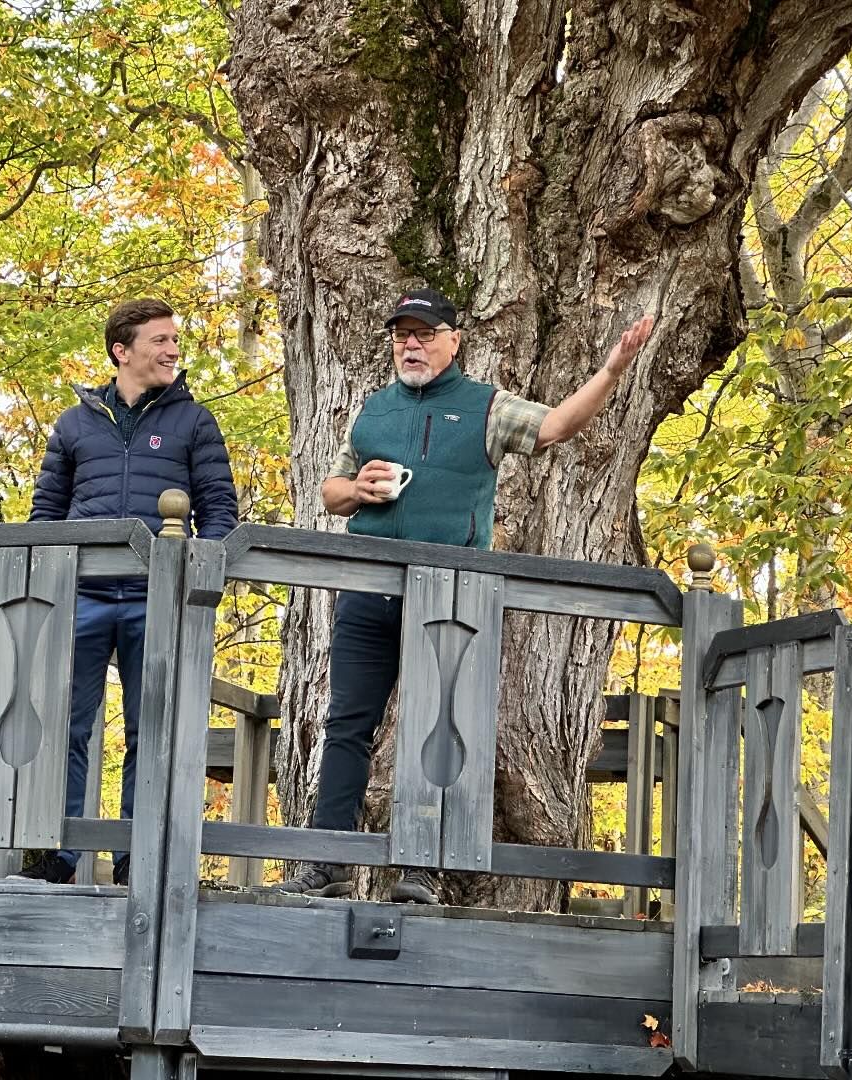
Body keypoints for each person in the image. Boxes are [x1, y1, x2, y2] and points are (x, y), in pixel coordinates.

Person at [275, 287, 653, 904]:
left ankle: (420, 867)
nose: (411, 344)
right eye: (402, 334)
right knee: (346, 725)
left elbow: (558, 425)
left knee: (436, 723)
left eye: (424, 333)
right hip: (369, 586)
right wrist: (357, 490)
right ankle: (327, 860)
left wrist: (612, 369)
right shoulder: (373, 409)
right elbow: (331, 492)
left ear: (454, 339)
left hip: (445, 595)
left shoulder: (485, 408)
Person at [18, 298, 238, 884]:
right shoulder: (74, 424)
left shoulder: (194, 422)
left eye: (175, 339)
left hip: (158, 598)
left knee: (154, 728)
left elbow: (220, 514)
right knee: (64, 724)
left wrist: (197, 578)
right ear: (123, 350)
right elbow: (46, 515)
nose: (173, 350)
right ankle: (53, 856)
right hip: (82, 596)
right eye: (160, 340)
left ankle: (137, 859)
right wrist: (47, 584)